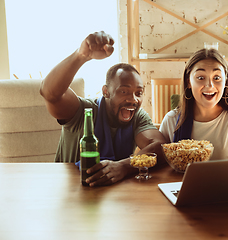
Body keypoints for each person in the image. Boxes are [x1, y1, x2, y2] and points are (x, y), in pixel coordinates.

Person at [40, 31, 166, 187]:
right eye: (124, 91)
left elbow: (160, 146)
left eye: (138, 93)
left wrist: (124, 166)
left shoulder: (137, 116)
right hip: (68, 188)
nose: (134, 99)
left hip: (113, 195)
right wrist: (81, 56)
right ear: (106, 92)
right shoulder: (84, 111)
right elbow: (50, 93)